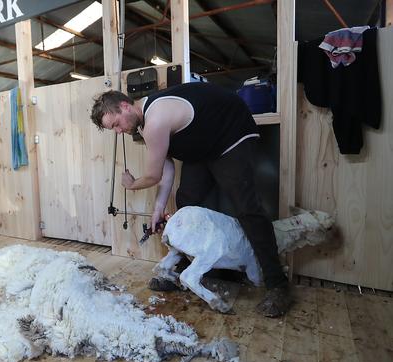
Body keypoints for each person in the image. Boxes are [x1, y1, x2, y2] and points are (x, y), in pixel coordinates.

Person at [90, 82, 291, 317]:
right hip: (204, 147)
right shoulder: (144, 126)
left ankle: (277, 284)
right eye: (112, 128)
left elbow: (152, 176)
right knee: (186, 201)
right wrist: (158, 209)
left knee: (247, 207)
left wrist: (132, 185)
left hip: (232, 133)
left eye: (116, 124)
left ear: (125, 106)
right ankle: (186, 270)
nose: (118, 131)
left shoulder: (155, 120)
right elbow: (166, 171)